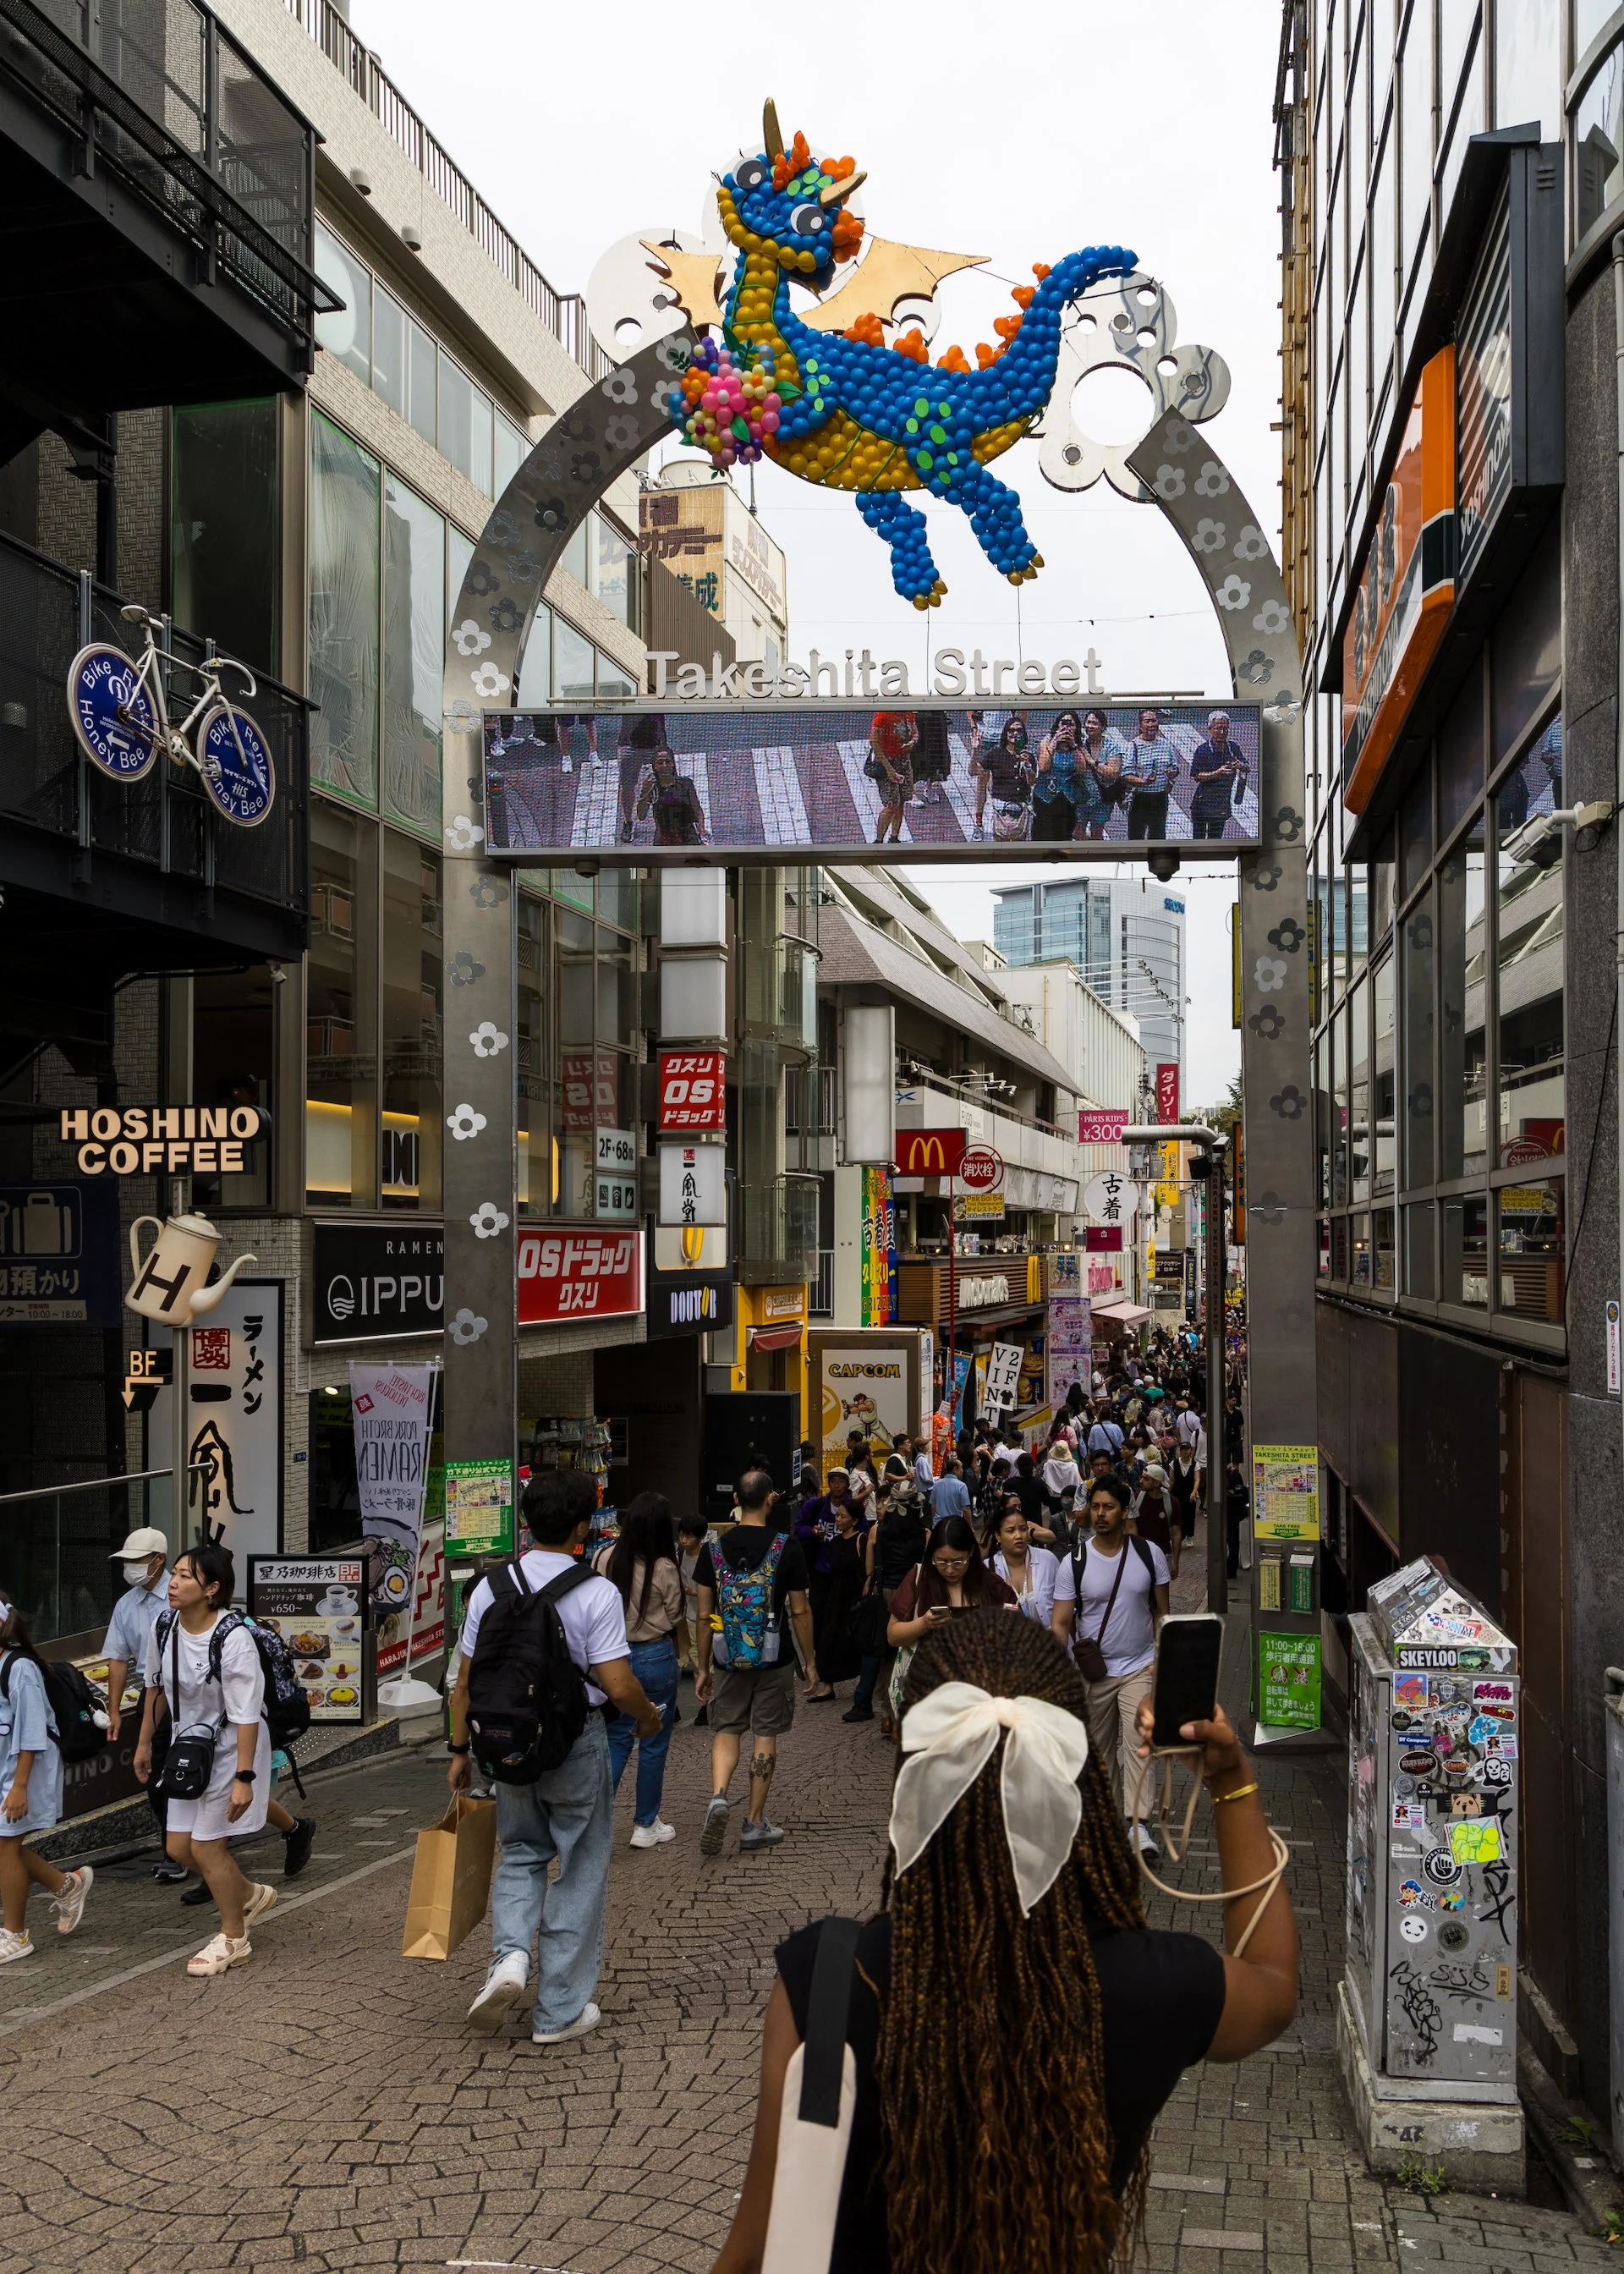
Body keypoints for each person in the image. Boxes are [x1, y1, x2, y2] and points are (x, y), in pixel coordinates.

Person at [714, 1612, 1298, 2274]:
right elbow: (1274, 1985)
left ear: (913, 1774)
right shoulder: (1158, 1984)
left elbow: (753, 2248)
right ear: (1080, 1776)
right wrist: (1231, 1783)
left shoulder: (827, 1976)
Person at [451, 1469, 661, 2044]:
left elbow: (464, 1682)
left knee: (520, 1852)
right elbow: (617, 1684)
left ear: (524, 1519)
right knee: (580, 1865)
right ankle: (559, 2012)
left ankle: (511, 1957)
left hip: (507, 1744)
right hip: (575, 1740)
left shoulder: (490, 1587)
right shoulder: (595, 1592)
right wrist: (648, 1718)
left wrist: (458, 1748)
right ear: (582, 1527)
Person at [134, 1543, 277, 1978]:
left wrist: (244, 1777)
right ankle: (249, 1893)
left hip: (233, 1746)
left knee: (205, 1846)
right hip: (187, 1749)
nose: (173, 1584)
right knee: (178, 1847)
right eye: (174, 1574)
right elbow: (154, 1688)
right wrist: (143, 1745)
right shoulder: (165, 1624)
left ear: (212, 1589)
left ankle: (234, 1937)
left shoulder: (233, 1639)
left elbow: (247, 1713)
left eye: (186, 1577)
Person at [694, 1468, 819, 1854]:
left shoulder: (712, 1550)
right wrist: (810, 1662)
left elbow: (702, 1614)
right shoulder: (787, 1545)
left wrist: (701, 1667)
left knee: (727, 1730)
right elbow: (799, 1611)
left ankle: (718, 1796)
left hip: (727, 1656)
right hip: (773, 1655)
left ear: (735, 1500)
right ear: (770, 1500)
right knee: (765, 1734)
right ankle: (753, 1822)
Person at [1052, 1477, 1171, 1856]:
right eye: (1096, 1507)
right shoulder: (1075, 1561)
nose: (1100, 1514)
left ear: (1125, 1511)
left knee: (1139, 1745)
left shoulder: (1150, 1554)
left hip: (1139, 1667)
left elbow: (1163, 1614)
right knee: (1100, 1752)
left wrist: (1163, 1660)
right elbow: (1060, 1621)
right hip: (1094, 1672)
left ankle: (1139, 1826)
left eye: (1109, 1507)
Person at [0, 1588, 93, 1963]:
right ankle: (67, 1885)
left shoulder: (19, 1668)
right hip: (5, 1768)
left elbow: (32, 1732)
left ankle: (16, 1935)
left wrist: (20, 1786)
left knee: (5, 1847)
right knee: (5, 1847)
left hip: (22, 1771)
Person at [594, 1491, 684, 1848]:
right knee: (653, 1741)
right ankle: (645, 1825)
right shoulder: (663, 1566)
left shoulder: (603, 1558)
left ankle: (595, 1825)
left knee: (615, 1739)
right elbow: (675, 1616)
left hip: (611, 1657)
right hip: (654, 1655)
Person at [102, 1524, 182, 1881]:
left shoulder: (180, 1594)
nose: (130, 1567)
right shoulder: (126, 1604)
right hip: (152, 1701)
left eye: (137, 1560)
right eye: (126, 1561)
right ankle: (176, 1852)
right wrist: (114, 1709)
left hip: (189, 1699)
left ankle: (178, 1854)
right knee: (155, 1778)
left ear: (159, 1560)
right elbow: (118, 1659)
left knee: (180, 1775)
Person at [848, 1473, 929, 1732]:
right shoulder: (924, 1533)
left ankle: (886, 1713)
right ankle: (908, 1714)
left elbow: (870, 1568)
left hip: (885, 1594)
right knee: (913, 1653)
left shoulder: (877, 1531)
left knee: (887, 1655)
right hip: (914, 1595)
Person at [886, 1516, 1018, 1666]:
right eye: (941, 1561)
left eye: (957, 1562)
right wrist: (923, 1624)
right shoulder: (920, 1579)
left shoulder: (993, 1586)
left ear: (971, 1552)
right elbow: (892, 1636)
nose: (949, 1570)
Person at [987, 1500, 1062, 1629]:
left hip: (1051, 1643)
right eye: (1010, 1531)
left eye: (1023, 1529)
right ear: (998, 1536)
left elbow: (1064, 1608)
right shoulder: (988, 1569)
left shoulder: (1048, 1560)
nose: (1018, 1536)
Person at [968, 713, 1032, 842]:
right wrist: (975, 731)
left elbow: (1023, 711)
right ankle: (979, 824)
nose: (1016, 733)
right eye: (1013, 730)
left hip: (1003, 735)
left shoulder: (1028, 754)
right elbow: (973, 771)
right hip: (986, 736)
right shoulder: (995, 753)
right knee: (982, 781)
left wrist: (1017, 734)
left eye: (1019, 731)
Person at [1122, 706, 1181, 839]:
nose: (1151, 724)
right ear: (1141, 725)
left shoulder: (1166, 744)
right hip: (1140, 799)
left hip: (1160, 798)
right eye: (1147, 721)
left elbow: (1176, 768)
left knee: (1158, 836)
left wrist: (1172, 772)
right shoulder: (1133, 746)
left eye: (1154, 721)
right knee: (1136, 837)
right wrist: (1143, 782)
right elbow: (1125, 775)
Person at [1188, 709, 1244, 840]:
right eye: (1218, 728)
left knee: (1216, 841)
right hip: (1202, 804)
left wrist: (1240, 765)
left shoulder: (1233, 747)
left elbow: (1247, 766)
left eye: (1225, 729)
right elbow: (1196, 776)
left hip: (1222, 803)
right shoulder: (1202, 750)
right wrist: (1216, 774)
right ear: (1210, 729)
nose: (1222, 732)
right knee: (1199, 841)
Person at [636, 745, 707, 845]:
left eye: (668, 762)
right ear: (655, 766)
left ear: (673, 763)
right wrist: (644, 792)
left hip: (688, 837)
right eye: (660, 763)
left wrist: (702, 829)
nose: (664, 766)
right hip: (664, 840)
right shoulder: (653, 788)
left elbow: (697, 810)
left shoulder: (686, 784)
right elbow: (641, 815)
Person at [1031, 710, 1084, 842]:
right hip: (1046, 796)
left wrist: (1073, 746)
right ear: (1058, 725)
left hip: (1068, 799)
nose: (1067, 727)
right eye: (1064, 723)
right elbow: (1043, 766)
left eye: (1071, 724)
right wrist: (1054, 741)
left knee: (1064, 837)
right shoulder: (1047, 741)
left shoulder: (1078, 744)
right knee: (1041, 836)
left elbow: (1082, 770)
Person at [1075, 706, 1126, 839]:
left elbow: (1113, 773)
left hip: (1103, 798)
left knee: (1097, 833)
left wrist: (1091, 761)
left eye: (1095, 723)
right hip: (1081, 797)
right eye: (1088, 722)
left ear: (1103, 727)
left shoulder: (1111, 746)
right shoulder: (1079, 744)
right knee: (1077, 832)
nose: (1090, 726)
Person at [869, 710, 918, 843]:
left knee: (901, 801)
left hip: (904, 760)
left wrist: (912, 742)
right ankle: (878, 841)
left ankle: (894, 837)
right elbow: (874, 741)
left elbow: (915, 732)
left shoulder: (909, 712)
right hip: (887, 762)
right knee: (891, 804)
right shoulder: (883, 715)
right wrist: (889, 770)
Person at [1133, 1463, 1180, 1583]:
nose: (1141, 1481)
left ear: (1157, 1482)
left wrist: (1175, 1562)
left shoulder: (1172, 1503)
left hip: (1162, 1556)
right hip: (1140, 1556)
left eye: (1146, 1479)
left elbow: (1176, 1533)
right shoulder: (1137, 1498)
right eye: (1142, 1477)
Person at [1169, 1437, 1202, 1547]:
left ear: (1190, 1451)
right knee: (1178, 1515)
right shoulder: (1173, 1464)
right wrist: (1168, 1493)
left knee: (1190, 1515)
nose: (1185, 1451)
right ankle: (1178, 1535)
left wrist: (1194, 1492)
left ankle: (1189, 1536)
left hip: (1189, 1494)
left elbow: (1197, 1479)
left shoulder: (1195, 1464)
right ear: (1180, 1451)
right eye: (1183, 1449)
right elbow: (1171, 1480)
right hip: (1177, 1494)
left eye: (1187, 1449)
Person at [1224, 1453, 1251, 1582]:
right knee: (1224, 1542)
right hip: (1224, 1514)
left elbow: (1242, 1494)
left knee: (1233, 1543)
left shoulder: (1234, 1474)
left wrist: (1229, 1494)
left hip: (1233, 1514)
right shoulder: (1215, 1474)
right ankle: (1221, 1566)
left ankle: (1231, 1569)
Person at [930, 1455, 969, 1524]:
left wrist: (934, 1522)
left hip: (938, 1524)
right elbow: (966, 1509)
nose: (962, 1471)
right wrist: (970, 1527)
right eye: (961, 1468)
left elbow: (933, 1507)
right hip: (955, 1524)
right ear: (955, 1469)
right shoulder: (962, 1486)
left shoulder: (937, 1484)